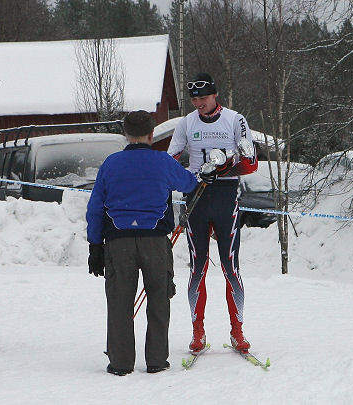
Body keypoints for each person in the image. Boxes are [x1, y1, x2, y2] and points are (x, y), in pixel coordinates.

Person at [86, 110, 198, 376]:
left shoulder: (111, 164)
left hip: (118, 241)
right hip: (155, 242)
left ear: (126, 135)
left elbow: (95, 208)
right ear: (151, 135)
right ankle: (157, 360)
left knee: (119, 303)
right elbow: (188, 183)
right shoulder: (162, 161)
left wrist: (95, 245)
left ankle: (121, 362)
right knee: (159, 300)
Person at [167, 72, 258, 354]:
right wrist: (187, 177)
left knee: (231, 266)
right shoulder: (187, 122)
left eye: (203, 98)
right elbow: (171, 160)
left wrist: (223, 168)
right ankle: (198, 332)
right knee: (198, 267)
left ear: (215, 95)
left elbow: (251, 163)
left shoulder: (235, 119)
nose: (198, 103)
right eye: (194, 99)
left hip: (225, 196)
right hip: (196, 195)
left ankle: (237, 331)